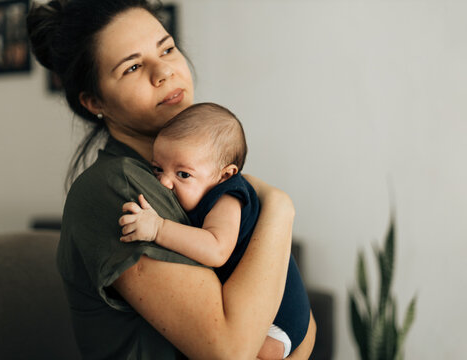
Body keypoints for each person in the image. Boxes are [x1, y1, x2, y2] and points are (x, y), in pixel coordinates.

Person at [26, 0, 316, 359]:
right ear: (93, 101)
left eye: (167, 48)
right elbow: (231, 350)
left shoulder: (200, 176)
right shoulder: (115, 187)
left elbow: (300, 326)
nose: (163, 70)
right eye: (132, 66)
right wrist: (280, 207)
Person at [119, 102, 312, 359]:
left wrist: (158, 227)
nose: (164, 182)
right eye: (158, 169)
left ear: (224, 175)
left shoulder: (227, 199)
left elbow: (216, 249)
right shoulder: (204, 187)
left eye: (183, 174)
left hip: (280, 316)